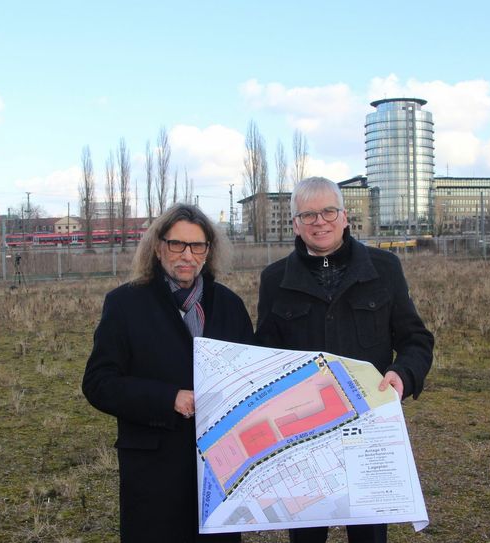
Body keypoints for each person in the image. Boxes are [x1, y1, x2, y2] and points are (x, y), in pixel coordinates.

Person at [255, 177, 435, 543]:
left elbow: (416, 339)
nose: (319, 221)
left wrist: (403, 374)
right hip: (303, 436)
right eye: (308, 215)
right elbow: (265, 355)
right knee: (306, 535)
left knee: (368, 533)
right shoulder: (275, 279)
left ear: (345, 217)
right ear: (295, 224)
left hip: (367, 428)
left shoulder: (384, 269)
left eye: (328, 211)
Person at [82, 204, 252, 543]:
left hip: (220, 468)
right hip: (153, 470)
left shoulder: (230, 305)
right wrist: (167, 399)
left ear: (208, 251)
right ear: (158, 247)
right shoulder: (125, 304)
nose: (187, 255)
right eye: (177, 244)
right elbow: (99, 383)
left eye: (197, 246)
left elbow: (251, 376)